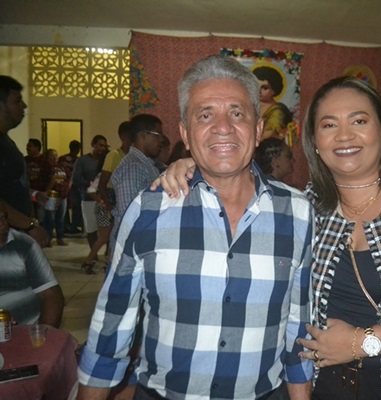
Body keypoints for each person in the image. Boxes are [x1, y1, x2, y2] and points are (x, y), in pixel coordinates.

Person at [156, 76, 381, 399]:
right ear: (315, 142)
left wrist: (362, 343)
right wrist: (197, 167)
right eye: (329, 125)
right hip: (319, 385)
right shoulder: (304, 206)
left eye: (359, 121)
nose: (344, 135)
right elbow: (240, 197)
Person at [77, 55, 313, 400]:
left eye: (237, 113)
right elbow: (112, 325)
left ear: (258, 129)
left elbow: (298, 327)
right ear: (186, 134)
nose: (223, 127)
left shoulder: (297, 213)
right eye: (205, 115)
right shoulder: (149, 208)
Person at [0, 75, 50, 247]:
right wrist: (29, 225)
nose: (24, 106)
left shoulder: (6, 142)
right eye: (17, 101)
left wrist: (33, 194)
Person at [108, 113, 164, 260]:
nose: (161, 140)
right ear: (143, 135)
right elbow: (129, 213)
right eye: (158, 134)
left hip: (140, 242)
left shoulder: (146, 164)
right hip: (130, 246)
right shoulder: (133, 166)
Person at [0, 203, 64, 327]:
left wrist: (42, 335)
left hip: (28, 330)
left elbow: (51, 295)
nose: (2, 225)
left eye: (4, 218)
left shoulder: (23, 244)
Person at [72, 134, 108, 250]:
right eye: (100, 145)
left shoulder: (106, 160)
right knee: (91, 228)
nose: (102, 148)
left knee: (108, 229)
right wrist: (90, 183)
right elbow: (76, 179)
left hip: (105, 199)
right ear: (93, 145)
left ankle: (108, 254)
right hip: (88, 199)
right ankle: (93, 254)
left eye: (104, 146)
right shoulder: (83, 160)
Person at [252, 65, 294, 140]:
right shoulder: (251, 105)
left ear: (274, 90)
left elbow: (270, 134)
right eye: (256, 86)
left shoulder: (278, 111)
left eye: (265, 88)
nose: (259, 91)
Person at [43, 148, 71, 246]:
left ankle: (60, 237)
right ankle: (49, 238)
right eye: (52, 155)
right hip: (52, 195)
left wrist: (68, 187)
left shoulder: (62, 166)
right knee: (50, 218)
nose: (55, 157)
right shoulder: (46, 168)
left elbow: (70, 176)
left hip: (63, 195)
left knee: (61, 218)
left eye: (56, 155)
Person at [25, 138, 53, 225]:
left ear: (37, 147)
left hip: (41, 193)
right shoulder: (25, 160)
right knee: (29, 217)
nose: (27, 148)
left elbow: (52, 178)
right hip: (28, 193)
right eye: (27, 146)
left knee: (42, 217)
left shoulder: (45, 161)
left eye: (30, 146)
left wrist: (46, 192)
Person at [59, 139, 83, 234]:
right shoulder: (78, 160)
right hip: (73, 186)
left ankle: (66, 226)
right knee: (75, 206)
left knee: (65, 206)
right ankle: (73, 227)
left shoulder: (62, 158)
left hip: (63, 185)